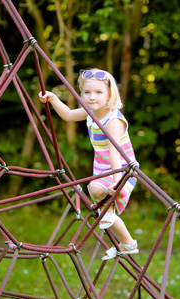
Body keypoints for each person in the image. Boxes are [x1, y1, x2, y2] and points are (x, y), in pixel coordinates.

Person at [39, 68, 139, 260]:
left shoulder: (113, 120)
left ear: (110, 94)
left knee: (98, 196)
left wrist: (117, 182)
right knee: (100, 202)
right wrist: (52, 99)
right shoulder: (90, 112)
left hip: (122, 169)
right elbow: (68, 114)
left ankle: (125, 239)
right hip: (102, 168)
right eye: (87, 92)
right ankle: (127, 244)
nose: (92, 97)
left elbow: (115, 152)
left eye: (98, 92)